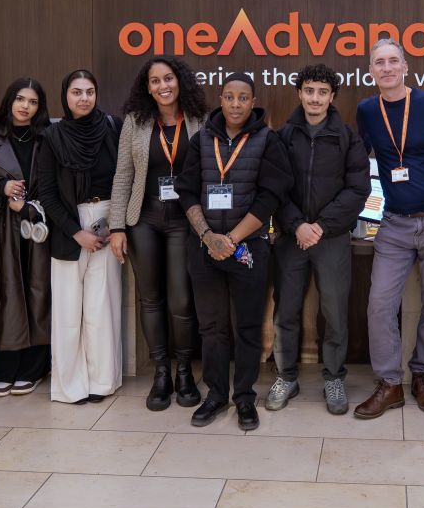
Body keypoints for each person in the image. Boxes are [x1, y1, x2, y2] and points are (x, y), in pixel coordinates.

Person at [354, 38, 424, 420]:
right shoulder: (367, 111)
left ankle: (421, 375)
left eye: (393, 61)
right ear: (370, 71)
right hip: (394, 223)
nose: (386, 68)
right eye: (378, 63)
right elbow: (372, 160)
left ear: (406, 66)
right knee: (379, 304)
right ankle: (389, 384)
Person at [178, 73, 293, 431]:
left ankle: (244, 396)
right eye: (229, 97)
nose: (236, 104)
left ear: (253, 100)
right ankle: (215, 394)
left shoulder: (268, 141)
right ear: (221, 99)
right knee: (212, 326)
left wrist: (232, 240)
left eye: (243, 98)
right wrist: (210, 237)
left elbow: (270, 196)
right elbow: (186, 191)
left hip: (249, 249)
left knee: (246, 327)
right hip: (204, 249)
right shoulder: (200, 140)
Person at [269, 64, 371, 415]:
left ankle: (334, 377)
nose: (315, 98)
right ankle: (286, 376)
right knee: (286, 310)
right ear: (299, 92)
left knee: (335, 312)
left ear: (332, 97)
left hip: (331, 238)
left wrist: (320, 227)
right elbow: (274, 187)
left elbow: (358, 189)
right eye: (309, 90)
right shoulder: (283, 136)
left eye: (322, 92)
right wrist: (297, 224)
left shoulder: (347, 137)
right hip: (290, 237)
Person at [109, 57, 207, 411]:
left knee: (181, 301)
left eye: (168, 78)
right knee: (150, 299)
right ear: (146, 87)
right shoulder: (135, 122)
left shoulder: (200, 120)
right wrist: (117, 226)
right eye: (155, 81)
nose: (163, 86)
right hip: (144, 219)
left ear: (179, 81)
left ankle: (184, 373)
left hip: (186, 220)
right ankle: (161, 373)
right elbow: (122, 176)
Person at [38, 69, 124, 405]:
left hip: (108, 222)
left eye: (89, 91)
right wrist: (77, 233)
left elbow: (124, 178)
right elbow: (46, 193)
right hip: (68, 226)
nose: (84, 98)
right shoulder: (52, 137)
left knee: (102, 310)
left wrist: (114, 224)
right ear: (66, 96)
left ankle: (101, 383)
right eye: (77, 92)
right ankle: (70, 385)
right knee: (68, 311)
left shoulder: (113, 128)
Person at [0, 78, 53, 397]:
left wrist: (31, 203)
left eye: (32, 102)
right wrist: (0, 187)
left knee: (39, 294)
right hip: (3, 227)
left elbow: (59, 181)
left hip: (39, 224)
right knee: (5, 297)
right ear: (9, 101)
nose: (25, 107)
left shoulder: (48, 139)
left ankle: (34, 368)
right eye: (20, 99)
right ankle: (4, 369)